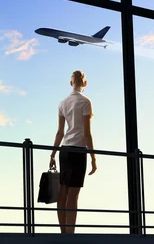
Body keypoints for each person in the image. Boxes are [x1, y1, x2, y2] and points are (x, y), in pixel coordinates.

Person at [49, 70, 97, 234]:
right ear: (85, 83)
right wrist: (93, 157)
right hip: (78, 150)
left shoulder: (62, 103)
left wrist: (52, 154)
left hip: (64, 150)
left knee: (63, 191)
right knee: (73, 193)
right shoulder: (85, 102)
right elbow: (87, 133)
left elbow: (60, 133)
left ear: (71, 83)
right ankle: (70, 233)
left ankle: (63, 232)